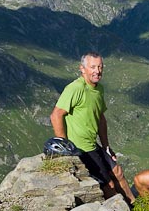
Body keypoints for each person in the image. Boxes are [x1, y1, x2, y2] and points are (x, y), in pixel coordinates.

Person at [50, 52, 134, 203]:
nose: (97, 71)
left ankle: (138, 207)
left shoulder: (99, 89)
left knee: (118, 173)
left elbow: (101, 118)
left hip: (92, 144)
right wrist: (64, 146)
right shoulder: (75, 88)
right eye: (93, 67)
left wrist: (107, 146)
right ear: (82, 69)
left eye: (100, 67)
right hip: (81, 147)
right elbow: (56, 115)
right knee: (108, 184)